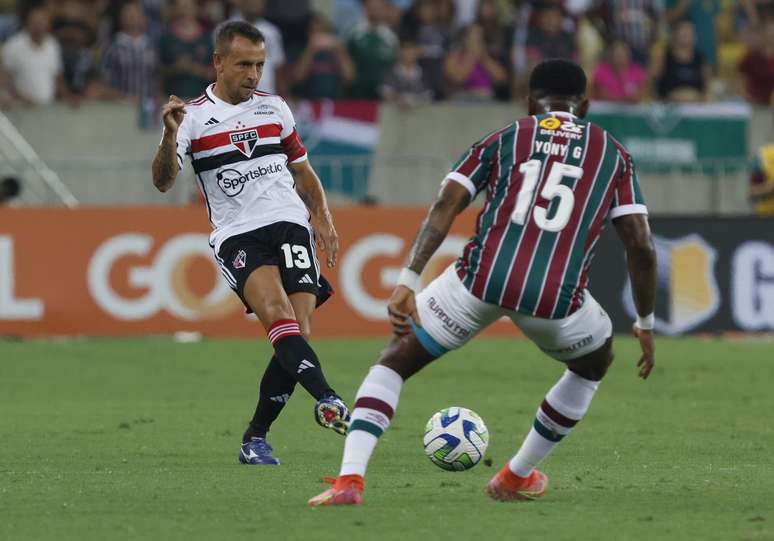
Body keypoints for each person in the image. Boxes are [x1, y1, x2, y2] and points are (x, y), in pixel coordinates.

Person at [309, 58, 657, 506]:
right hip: (554, 302)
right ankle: (516, 476)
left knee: (394, 362)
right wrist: (645, 321)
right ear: (585, 105)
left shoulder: (507, 136)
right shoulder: (612, 153)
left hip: (477, 282)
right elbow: (641, 246)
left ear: (530, 101)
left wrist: (408, 279)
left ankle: (349, 482)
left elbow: (446, 203)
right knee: (594, 363)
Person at [151, 22, 350, 466]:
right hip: (238, 233)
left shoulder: (275, 108)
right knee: (278, 316)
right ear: (218, 62)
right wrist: (168, 136)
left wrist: (323, 216)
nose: (253, 75)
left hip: (290, 224)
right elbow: (164, 181)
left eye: (260, 65)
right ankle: (328, 398)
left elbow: (302, 169)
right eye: (244, 64)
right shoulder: (193, 117)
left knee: (300, 330)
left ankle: (255, 438)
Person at [1, 5, 66, 106]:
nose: (39, 25)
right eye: (35, 21)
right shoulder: (13, 46)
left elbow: (57, 76)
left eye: (42, 21)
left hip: (48, 107)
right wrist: (20, 97)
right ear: (27, 22)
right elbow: (4, 78)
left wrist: (67, 96)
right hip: (22, 107)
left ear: (48, 23)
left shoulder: (53, 44)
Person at [289, 13, 355, 100]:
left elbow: (349, 78)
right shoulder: (300, 50)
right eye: (314, 31)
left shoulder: (337, 51)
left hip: (336, 103)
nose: (319, 35)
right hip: (308, 104)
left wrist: (340, 50)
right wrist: (310, 50)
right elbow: (297, 79)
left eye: (322, 30)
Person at [159, 0, 215, 100]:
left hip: (201, 100)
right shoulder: (166, 37)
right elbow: (158, 72)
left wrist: (193, 68)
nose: (185, 11)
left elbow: (215, 73)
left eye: (188, 7)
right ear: (176, 10)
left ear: (196, 9)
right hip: (172, 99)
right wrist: (176, 68)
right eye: (181, 7)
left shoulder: (207, 38)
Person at [101, 1, 156, 100]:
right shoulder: (113, 45)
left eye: (136, 13)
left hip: (147, 103)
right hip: (121, 104)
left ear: (143, 17)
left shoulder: (151, 45)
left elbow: (156, 76)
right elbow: (104, 77)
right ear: (121, 17)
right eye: (128, 13)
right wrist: (118, 96)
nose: (132, 16)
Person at [230, 0, 286, 95]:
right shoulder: (227, 30)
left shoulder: (272, 31)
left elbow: (278, 69)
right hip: (237, 98)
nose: (254, 3)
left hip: (266, 97)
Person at [347, 0, 399, 99]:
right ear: (365, 9)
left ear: (384, 10)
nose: (375, 11)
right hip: (358, 93)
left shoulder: (391, 37)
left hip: (384, 95)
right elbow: (348, 62)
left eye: (379, 7)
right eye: (372, 7)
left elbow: (394, 66)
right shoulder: (354, 34)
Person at [444, 23, 508, 100]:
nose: (478, 41)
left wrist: (484, 58)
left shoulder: (488, 57)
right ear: (466, 39)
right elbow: (458, 79)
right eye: (474, 37)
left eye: (480, 38)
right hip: (462, 98)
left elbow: (501, 78)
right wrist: (472, 57)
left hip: (486, 98)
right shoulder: (455, 56)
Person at [652, 19, 710, 103]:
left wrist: (701, 98)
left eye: (689, 31)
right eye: (683, 31)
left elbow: (707, 88)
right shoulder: (663, 58)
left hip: (696, 107)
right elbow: (652, 86)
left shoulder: (701, 59)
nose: (686, 34)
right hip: (669, 107)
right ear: (674, 34)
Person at [381, 38, 432, 105]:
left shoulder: (423, 74)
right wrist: (399, 99)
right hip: (395, 111)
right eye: (406, 50)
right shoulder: (391, 72)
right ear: (399, 52)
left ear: (417, 52)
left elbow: (428, 96)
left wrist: (412, 100)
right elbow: (386, 93)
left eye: (412, 50)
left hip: (418, 111)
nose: (409, 54)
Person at [738, 18, 774, 106]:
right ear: (763, 35)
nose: (771, 35)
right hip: (755, 103)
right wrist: (744, 95)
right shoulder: (751, 57)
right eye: (769, 32)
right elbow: (740, 81)